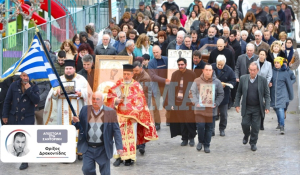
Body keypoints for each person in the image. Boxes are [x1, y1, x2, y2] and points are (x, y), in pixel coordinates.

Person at [106, 64, 158, 166]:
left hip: (132, 117)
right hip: (120, 115)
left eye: (128, 74)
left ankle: (129, 158)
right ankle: (119, 157)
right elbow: (110, 95)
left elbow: (141, 102)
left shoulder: (136, 85)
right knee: (118, 136)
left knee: (130, 137)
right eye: (124, 74)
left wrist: (136, 116)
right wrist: (116, 100)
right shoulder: (118, 84)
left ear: (132, 74)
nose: (126, 76)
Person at [72, 92, 123, 175]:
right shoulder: (85, 110)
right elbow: (79, 126)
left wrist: (119, 147)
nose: (95, 101)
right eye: (93, 99)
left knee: (105, 173)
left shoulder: (110, 112)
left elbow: (116, 130)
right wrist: (75, 122)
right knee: (87, 170)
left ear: (102, 101)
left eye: (97, 99)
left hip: (103, 148)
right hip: (88, 147)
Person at [2, 71, 40, 170]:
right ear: (20, 76)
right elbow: (7, 100)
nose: (25, 77)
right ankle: (11, 154)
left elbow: (36, 100)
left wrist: (29, 90)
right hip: (15, 116)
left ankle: (25, 161)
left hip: (27, 117)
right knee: (14, 137)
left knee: (26, 138)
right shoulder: (14, 85)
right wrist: (5, 115)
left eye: (27, 75)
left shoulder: (34, 85)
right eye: (24, 75)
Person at [234, 62, 271, 151]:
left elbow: (267, 94)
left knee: (255, 127)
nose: (252, 72)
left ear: (257, 70)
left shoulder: (262, 80)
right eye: (251, 70)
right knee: (244, 124)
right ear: (248, 70)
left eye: (254, 70)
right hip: (247, 106)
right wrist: (237, 104)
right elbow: (239, 92)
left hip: (257, 107)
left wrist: (267, 106)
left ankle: (253, 142)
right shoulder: (243, 79)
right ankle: (246, 135)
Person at [190, 64, 224, 153]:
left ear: (212, 71)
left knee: (209, 128)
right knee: (200, 127)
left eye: (210, 70)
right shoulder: (197, 81)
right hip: (199, 110)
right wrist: (196, 102)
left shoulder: (217, 82)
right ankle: (200, 141)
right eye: (206, 70)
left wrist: (216, 103)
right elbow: (191, 92)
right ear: (203, 71)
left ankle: (207, 145)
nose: (208, 72)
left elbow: (221, 94)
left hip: (211, 110)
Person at [168, 58, 197, 146]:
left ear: (186, 64)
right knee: (181, 121)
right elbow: (172, 89)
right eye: (179, 65)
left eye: (182, 64)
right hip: (178, 102)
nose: (180, 66)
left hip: (188, 102)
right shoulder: (175, 74)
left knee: (189, 120)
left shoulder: (192, 74)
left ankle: (191, 137)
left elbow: (195, 88)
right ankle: (184, 138)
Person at [212, 55, 236, 136]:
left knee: (223, 114)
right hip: (212, 94)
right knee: (212, 113)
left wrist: (226, 84)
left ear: (224, 63)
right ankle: (211, 129)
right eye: (218, 64)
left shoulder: (229, 70)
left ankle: (222, 128)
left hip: (224, 95)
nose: (219, 66)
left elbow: (233, 81)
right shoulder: (211, 67)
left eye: (221, 65)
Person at [270, 57, 293, 134]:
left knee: (280, 109)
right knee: (276, 108)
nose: (276, 64)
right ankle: (280, 123)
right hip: (273, 94)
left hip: (282, 94)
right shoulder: (272, 72)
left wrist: (290, 95)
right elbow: (269, 80)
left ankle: (282, 126)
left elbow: (289, 84)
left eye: (278, 63)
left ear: (281, 64)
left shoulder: (285, 73)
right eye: (275, 63)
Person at [132, 61, 152, 154]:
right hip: (134, 103)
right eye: (134, 71)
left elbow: (140, 92)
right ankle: (137, 143)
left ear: (141, 68)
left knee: (142, 124)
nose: (135, 72)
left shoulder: (145, 77)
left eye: (136, 70)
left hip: (143, 103)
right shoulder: (135, 74)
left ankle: (142, 145)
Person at [148, 46, 169, 130]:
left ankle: (169, 119)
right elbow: (153, 76)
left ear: (161, 51)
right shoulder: (151, 63)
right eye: (154, 53)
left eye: (157, 52)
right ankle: (157, 123)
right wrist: (165, 80)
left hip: (166, 86)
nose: (156, 54)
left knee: (168, 104)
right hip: (155, 86)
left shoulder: (166, 60)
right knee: (155, 106)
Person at [254, 49, 272, 130]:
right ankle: (255, 122)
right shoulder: (254, 63)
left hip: (264, 87)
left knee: (262, 105)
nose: (261, 56)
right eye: (260, 54)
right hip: (254, 86)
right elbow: (252, 74)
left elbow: (269, 75)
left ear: (265, 56)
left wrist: (265, 83)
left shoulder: (268, 64)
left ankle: (261, 122)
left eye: (263, 54)